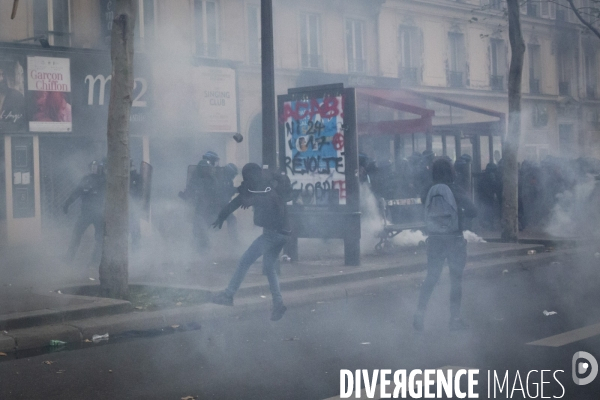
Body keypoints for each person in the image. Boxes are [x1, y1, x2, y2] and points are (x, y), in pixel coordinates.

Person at [211, 163, 291, 321]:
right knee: (269, 267)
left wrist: (253, 200)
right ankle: (278, 304)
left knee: (245, 261)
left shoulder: (264, 188)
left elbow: (268, 201)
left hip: (272, 234)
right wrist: (222, 216)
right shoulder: (265, 185)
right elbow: (237, 202)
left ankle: (228, 295)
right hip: (284, 234)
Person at [414, 158, 477, 331]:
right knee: (455, 280)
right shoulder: (455, 189)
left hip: (434, 239)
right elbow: (473, 210)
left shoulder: (428, 190)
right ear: (451, 171)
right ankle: (454, 320)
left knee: (431, 277)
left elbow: (424, 206)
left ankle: (419, 313)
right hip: (454, 239)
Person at [63, 160, 106, 265]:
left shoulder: (104, 180)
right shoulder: (86, 179)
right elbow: (76, 192)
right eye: (92, 166)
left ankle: (95, 261)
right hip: (85, 214)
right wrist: (67, 203)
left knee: (100, 239)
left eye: (96, 166)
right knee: (76, 235)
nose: (93, 168)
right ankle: (68, 259)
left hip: (99, 215)